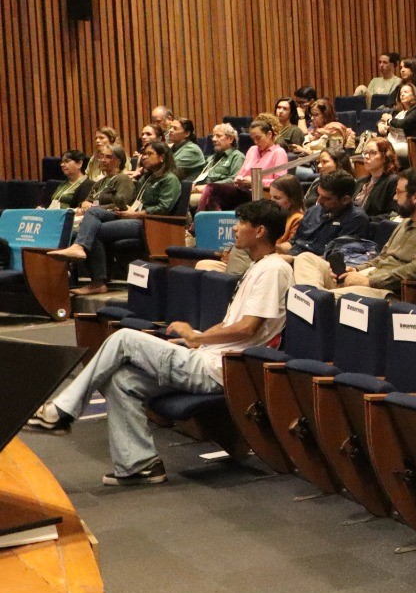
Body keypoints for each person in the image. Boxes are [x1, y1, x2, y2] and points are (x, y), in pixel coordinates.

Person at [29, 199, 294, 484]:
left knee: (124, 338)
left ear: (260, 231)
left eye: (241, 223)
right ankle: (140, 465)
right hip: (210, 357)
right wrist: (198, 341)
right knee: (122, 381)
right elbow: (232, 324)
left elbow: (248, 327)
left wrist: (198, 336)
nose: (235, 229)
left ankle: (62, 408)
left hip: (223, 369)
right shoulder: (259, 267)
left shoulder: (273, 270)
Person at [294, 169, 416, 299]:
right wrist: (355, 270)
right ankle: (314, 297)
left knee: (330, 299)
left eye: (399, 192)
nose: (394, 198)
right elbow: (381, 257)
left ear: (415, 197)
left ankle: (314, 300)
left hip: (387, 291)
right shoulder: (404, 223)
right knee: (305, 259)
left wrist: (369, 281)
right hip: (368, 277)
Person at [50, 142, 185, 295]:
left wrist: (134, 214)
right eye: (144, 153)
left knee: (95, 230)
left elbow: (163, 208)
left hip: (150, 223)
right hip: (132, 215)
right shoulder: (147, 178)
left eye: (149, 154)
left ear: (161, 157)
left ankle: (97, 279)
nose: (144, 157)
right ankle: (84, 257)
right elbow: (132, 202)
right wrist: (124, 208)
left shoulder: (169, 179)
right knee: (93, 216)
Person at [284, 172, 370, 270]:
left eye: (326, 198)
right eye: (318, 195)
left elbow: (336, 259)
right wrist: (273, 248)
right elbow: (293, 243)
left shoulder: (356, 219)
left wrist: (293, 259)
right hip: (293, 259)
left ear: (345, 199)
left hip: (319, 268)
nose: (319, 201)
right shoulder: (314, 210)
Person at [188, 124, 245, 208]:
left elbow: (234, 181)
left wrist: (208, 187)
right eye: (213, 136)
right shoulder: (211, 158)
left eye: (218, 136)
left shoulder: (237, 157)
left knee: (186, 202)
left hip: (219, 195)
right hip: (201, 190)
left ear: (230, 139)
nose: (213, 139)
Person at [353, 138, 400, 219]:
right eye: (365, 153)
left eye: (372, 153)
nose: (366, 157)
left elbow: (393, 215)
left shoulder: (393, 181)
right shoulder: (360, 181)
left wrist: (363, 221)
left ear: (385, 157)